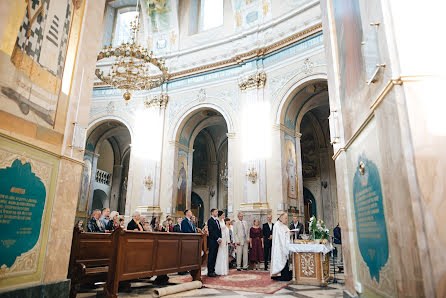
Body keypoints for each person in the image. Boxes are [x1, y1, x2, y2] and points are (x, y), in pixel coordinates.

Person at [271, 213, 292, 281]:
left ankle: (285, 275)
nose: (286, 220)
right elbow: (281, 236)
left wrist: (289, 233)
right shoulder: (277, 225)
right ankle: (280, 275)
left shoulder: (283, 225)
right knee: (280, 260)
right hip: (279, 247)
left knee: (284, 261)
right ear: (281, 218)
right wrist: (288, 233)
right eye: (285, 218)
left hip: (283, 246)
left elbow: (286, 232)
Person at [207, 208, 222, 277]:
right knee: (211, 256)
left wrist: (220, 237)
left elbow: (219, 230)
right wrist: (217, 238)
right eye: (216, 212)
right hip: (212, 241)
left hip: (217, 241)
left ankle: (213, 270)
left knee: (215, 256)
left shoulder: (217, 220)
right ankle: (210, 271)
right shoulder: (210, 221)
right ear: (212, 213)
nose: (217, 213)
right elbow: (211, 231)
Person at [215, 212, 229, 276]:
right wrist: (219, 238)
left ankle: (224, 269)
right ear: (220, 215)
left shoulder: (223, 220)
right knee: (220, 252)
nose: (224, 216)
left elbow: (226, 230)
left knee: (224, 252)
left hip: (224, 238)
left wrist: (227, 240)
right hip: (220, 238)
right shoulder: (217, 221)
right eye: (223, 215)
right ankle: (219, 269)